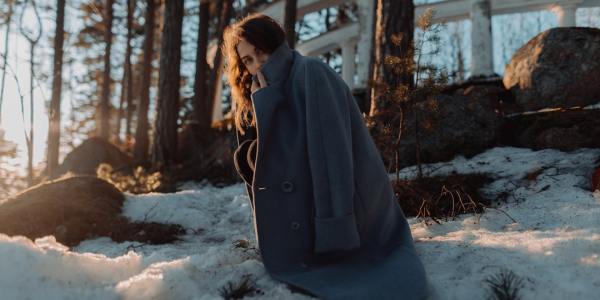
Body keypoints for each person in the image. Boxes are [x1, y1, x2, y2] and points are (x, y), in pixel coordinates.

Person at [222, 12, 431, 300]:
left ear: (276, 43)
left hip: (352, 221)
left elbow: (333, 158)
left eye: (260, 52)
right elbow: (282, 165)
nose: (257, 64)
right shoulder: (264, 91)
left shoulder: (311, 73)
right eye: (248, 60)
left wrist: (336, 229)